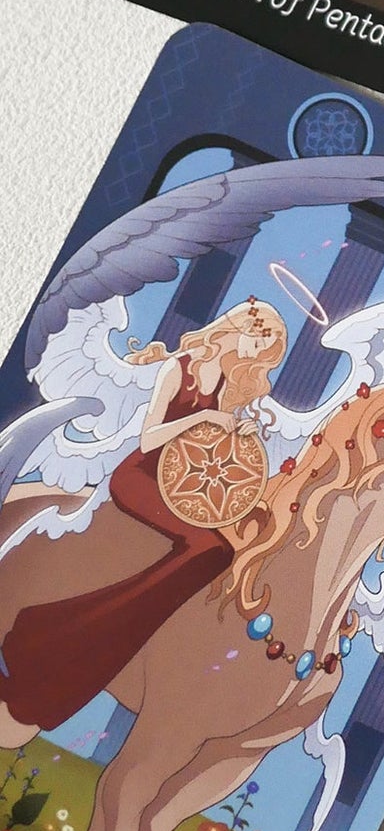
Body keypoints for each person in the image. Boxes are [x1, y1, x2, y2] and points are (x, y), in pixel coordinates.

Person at [0, 300, 286, 735]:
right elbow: (150, 439)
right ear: (242, 327)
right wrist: (206, 417)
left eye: (264, 353)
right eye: (259, 344)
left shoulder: (228, 380)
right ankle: (120, 608)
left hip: (180, 491)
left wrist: (237, 428)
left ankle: (140, 613)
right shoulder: (179, 368)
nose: (256, 356)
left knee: (219, 547)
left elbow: (207, 448)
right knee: (212, 547)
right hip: (139, 478)